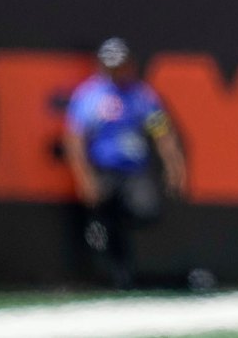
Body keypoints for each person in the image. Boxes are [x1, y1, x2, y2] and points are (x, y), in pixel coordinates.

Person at [62, 37, 187, 288]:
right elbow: (74, 139)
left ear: (130, 64)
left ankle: (117, 233)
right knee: (101, 223)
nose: (115, 71)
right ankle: (119, 276)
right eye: (110, 65)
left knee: (146, 211)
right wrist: (85, 178)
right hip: (103, 169)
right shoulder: (89, 95)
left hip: (133, 172)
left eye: (119, 64)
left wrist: (176, 166)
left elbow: (161, 131)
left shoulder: (142, 95)